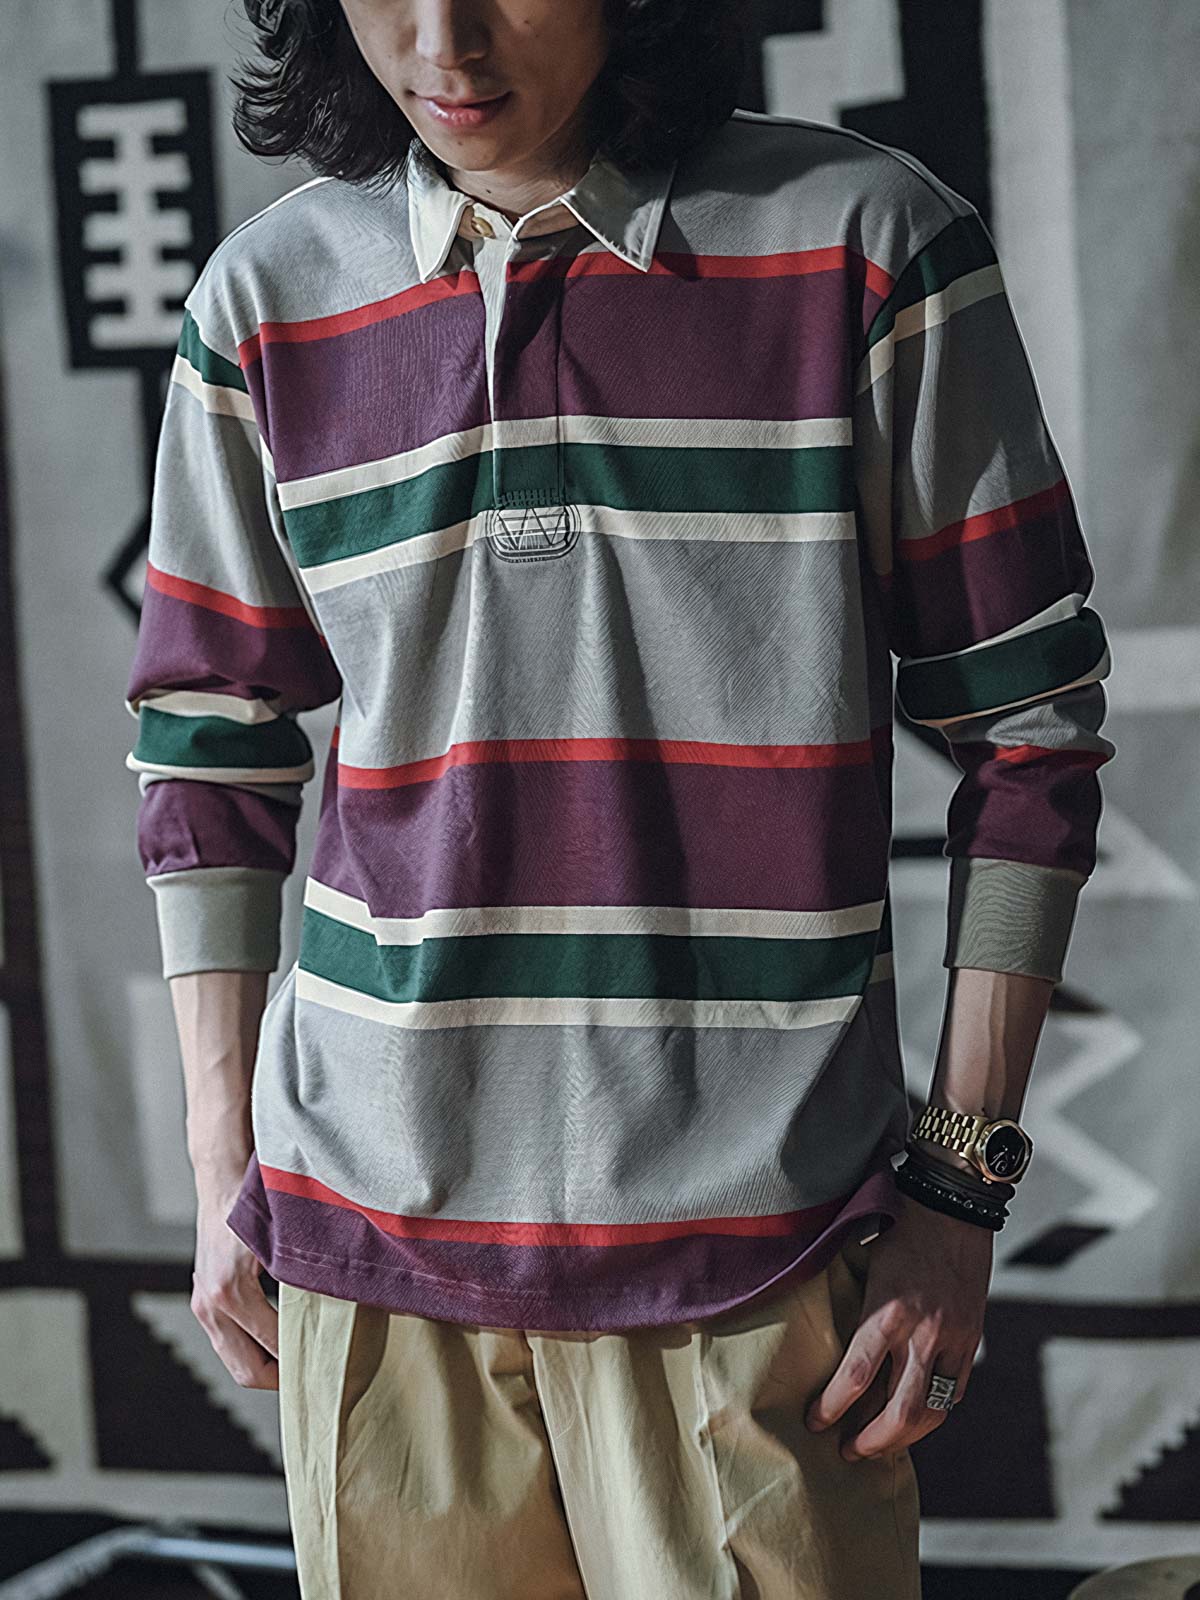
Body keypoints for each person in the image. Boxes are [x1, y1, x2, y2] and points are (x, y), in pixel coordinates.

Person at [123, 0, 1115, 1594]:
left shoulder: (866, 244)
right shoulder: (266, 299)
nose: (443, 41)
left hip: (760, 1250)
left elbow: (1032, 732)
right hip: (365, 1242)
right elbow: (208, 747)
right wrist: (222, 1163)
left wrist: (958, 1189)